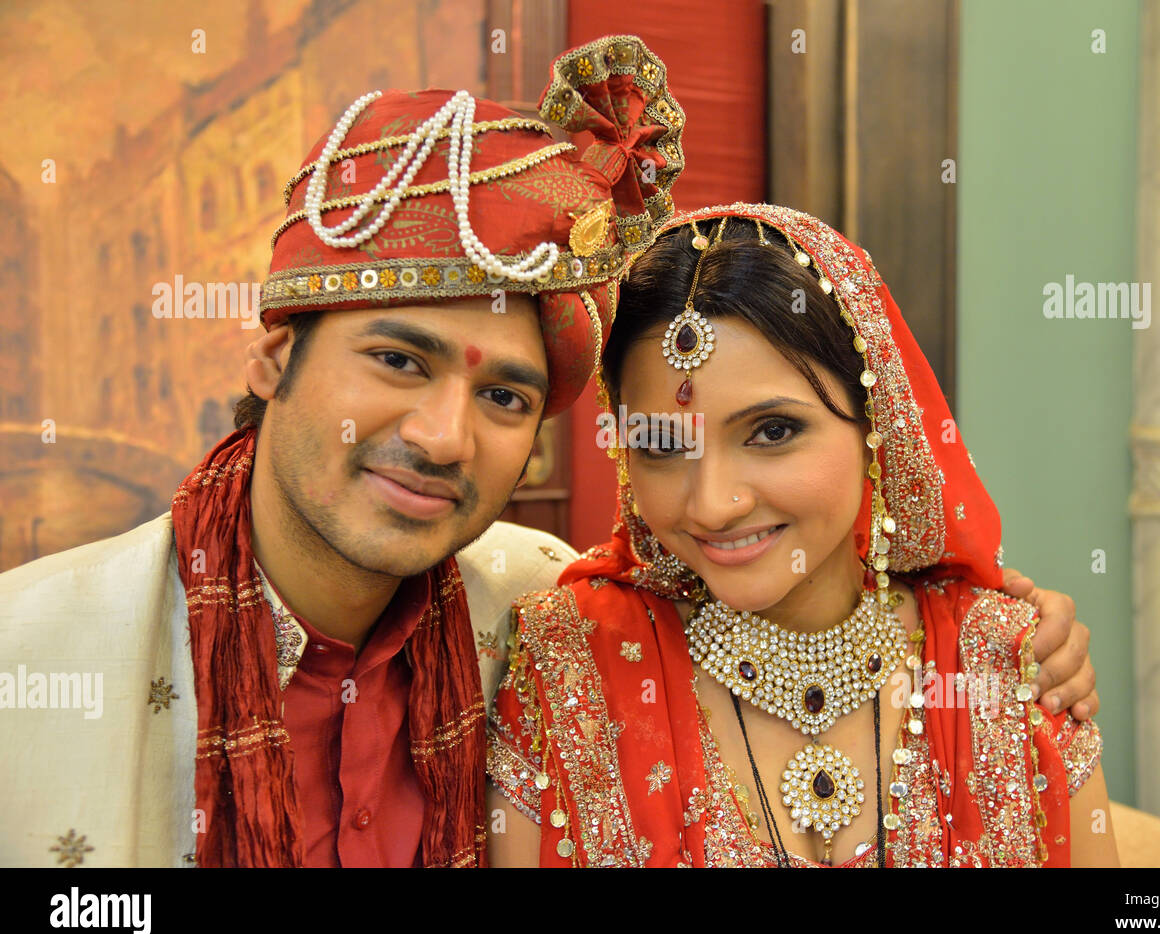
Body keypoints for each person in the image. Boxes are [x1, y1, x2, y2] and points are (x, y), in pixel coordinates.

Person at [0, 35, 689, 868]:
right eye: (398, 361)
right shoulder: (36, 653)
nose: (443, 437)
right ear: (273, 357)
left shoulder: (545, 617)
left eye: (505, 397)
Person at [487, 203, 1119, 867]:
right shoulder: (570, 663)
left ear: (875, 421)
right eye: (662, 444)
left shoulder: (1007, 663)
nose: (713, 504)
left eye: (772, 432)